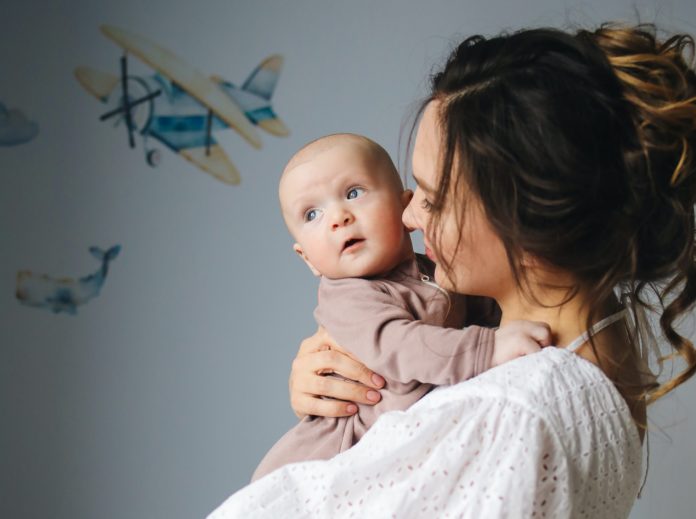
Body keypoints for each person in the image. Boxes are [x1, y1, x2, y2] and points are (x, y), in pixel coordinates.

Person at [208, 23, 696, 518]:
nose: (408, 217)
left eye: (432, 198)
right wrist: (345, 393)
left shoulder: (510, 412)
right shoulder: (596, 350)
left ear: (523, 224)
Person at [252, 133, 551, 481]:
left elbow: (488, 314)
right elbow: (403, 346)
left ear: (404, 208)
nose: (338, 217)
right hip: (330, 464)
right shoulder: (348, 297)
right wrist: (489, 348)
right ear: (307, 259)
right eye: (312, 213)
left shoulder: (437, 271)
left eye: (353, 193)